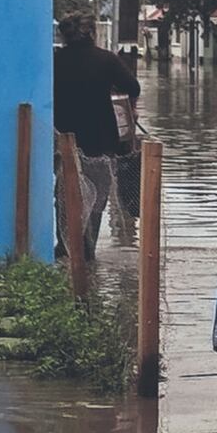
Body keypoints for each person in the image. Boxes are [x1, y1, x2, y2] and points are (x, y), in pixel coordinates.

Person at [53, 13, 141, 260]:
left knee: (64, 191)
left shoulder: (55, 60)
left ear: (63, 35)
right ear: (92, 33)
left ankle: (66, 247)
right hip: (100, 139)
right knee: (97, 195)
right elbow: (133, 87)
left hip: (63, 137)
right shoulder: (106, 60)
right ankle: (87, 251)